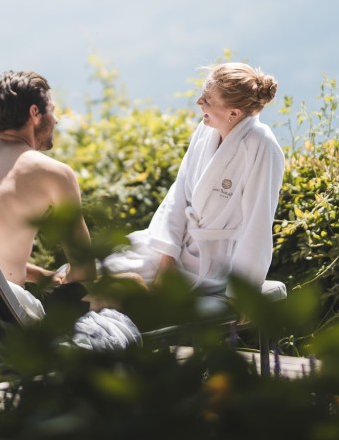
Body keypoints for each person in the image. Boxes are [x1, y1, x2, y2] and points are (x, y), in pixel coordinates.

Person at [102, 62, 286, 298]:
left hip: (211, 265)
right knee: (91, 270)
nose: (199, 102)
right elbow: (178, 195)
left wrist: (244, 293)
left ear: (233, 113)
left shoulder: (262, 146)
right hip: (172, 248)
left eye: (208, 100)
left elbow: (257, 223)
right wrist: (167, 258)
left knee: (111, 287)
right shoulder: (205, 131)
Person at [0, 70, 95, 321]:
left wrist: (42, 275)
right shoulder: (54, 173)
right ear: (35, 114)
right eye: (52, 109)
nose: (57, 119)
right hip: (5, 313)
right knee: (125, 286)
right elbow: (84, 270)